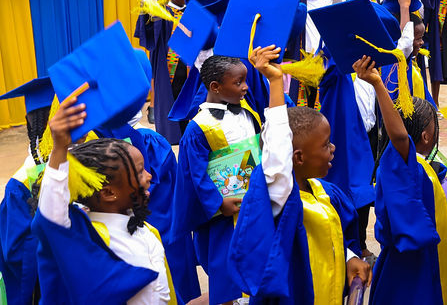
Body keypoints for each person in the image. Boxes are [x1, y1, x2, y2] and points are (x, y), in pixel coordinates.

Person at [229, 45, 372, 303]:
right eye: (325, 145)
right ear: (297, 157)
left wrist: (349, 257)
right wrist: (275, 82)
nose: (333, 148)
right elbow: (277, 162)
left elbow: (328, 240)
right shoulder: (279, 202)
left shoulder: (326, 192)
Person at [353, 56, 447, 304]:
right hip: (409, 270)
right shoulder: (402, 168)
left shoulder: (426, 169)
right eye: (434, 127)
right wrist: (378, 84)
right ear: (426, 136)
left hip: (434, 259)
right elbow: (399, 139)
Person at [33, 93, 175, 304]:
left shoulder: (146, 230)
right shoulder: (91, 239)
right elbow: (51, 221)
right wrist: (60, 149)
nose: (149, 176)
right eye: (139, 172)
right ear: (108, 193)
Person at [171, 55, 262, 304]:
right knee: (226, 271)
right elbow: (195, 173)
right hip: (223, 212)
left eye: (245, 81)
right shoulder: (199, 126)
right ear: (215, 87)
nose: (246, 87)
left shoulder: (248, 112)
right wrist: (219, 203)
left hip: (253, 202)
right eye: (238, 82)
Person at [134, 0, 193, 145]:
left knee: (189, 100)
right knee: (170, 101)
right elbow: (148, 21)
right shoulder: (161, 12)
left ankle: (189, 137)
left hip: (189, 67)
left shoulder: (193, 11)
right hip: (168, 68)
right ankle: (173, 138)